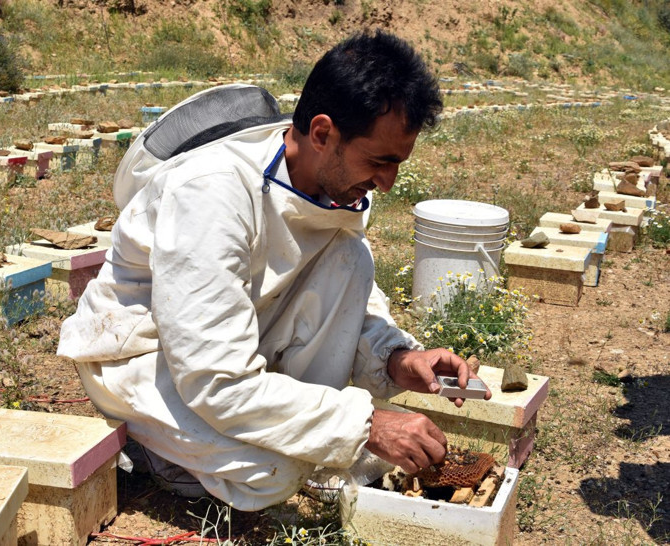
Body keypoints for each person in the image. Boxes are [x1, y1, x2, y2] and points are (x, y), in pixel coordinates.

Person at [57, 29, 490, 511]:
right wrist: (364, 425)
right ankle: (157, 449)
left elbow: (340, 291)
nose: (387, 183)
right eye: (380, 161)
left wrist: (396, 359)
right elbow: (215, 378)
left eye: (397, 165)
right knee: (275, 471)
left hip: (228, 338)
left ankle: (275, 432)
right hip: (146, 353)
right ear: (322, 134)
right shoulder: (212, 193)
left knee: (351, 258)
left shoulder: (334, 186)